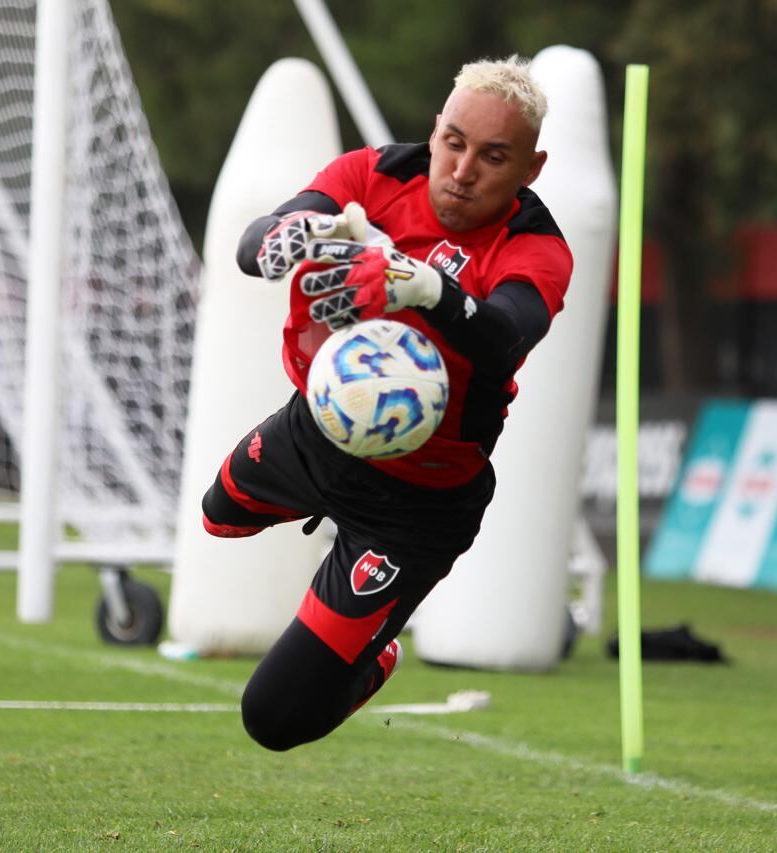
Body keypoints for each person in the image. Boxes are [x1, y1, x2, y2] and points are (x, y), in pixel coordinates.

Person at [203, 56, 573, 750]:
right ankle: (307, 510)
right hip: (314, 430)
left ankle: (371, 660)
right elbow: (255, 245)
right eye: (454, 142)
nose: (463, 170)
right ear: (435, 132)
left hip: (416, 505)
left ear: (532, 166)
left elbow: (504, 334)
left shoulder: (538, 246)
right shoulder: (371, 176)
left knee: (273, 719)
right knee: (217, 518)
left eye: (493, 157)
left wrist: (429, 289)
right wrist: (283, 236)